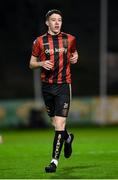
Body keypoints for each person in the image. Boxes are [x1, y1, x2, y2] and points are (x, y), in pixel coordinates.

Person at [29, 9, 79, 173]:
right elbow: (31, 63)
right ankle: (68, 138)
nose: (57, 23)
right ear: (47, 23)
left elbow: (74, 54)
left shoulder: (70, 39)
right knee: (54, 123)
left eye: (59, 20)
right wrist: (42, 63)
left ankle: (54, 162)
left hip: (64, 85)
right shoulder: (39, 42)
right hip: (47, 87)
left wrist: (75, 57)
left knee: (59, 124)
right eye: (54, 20)